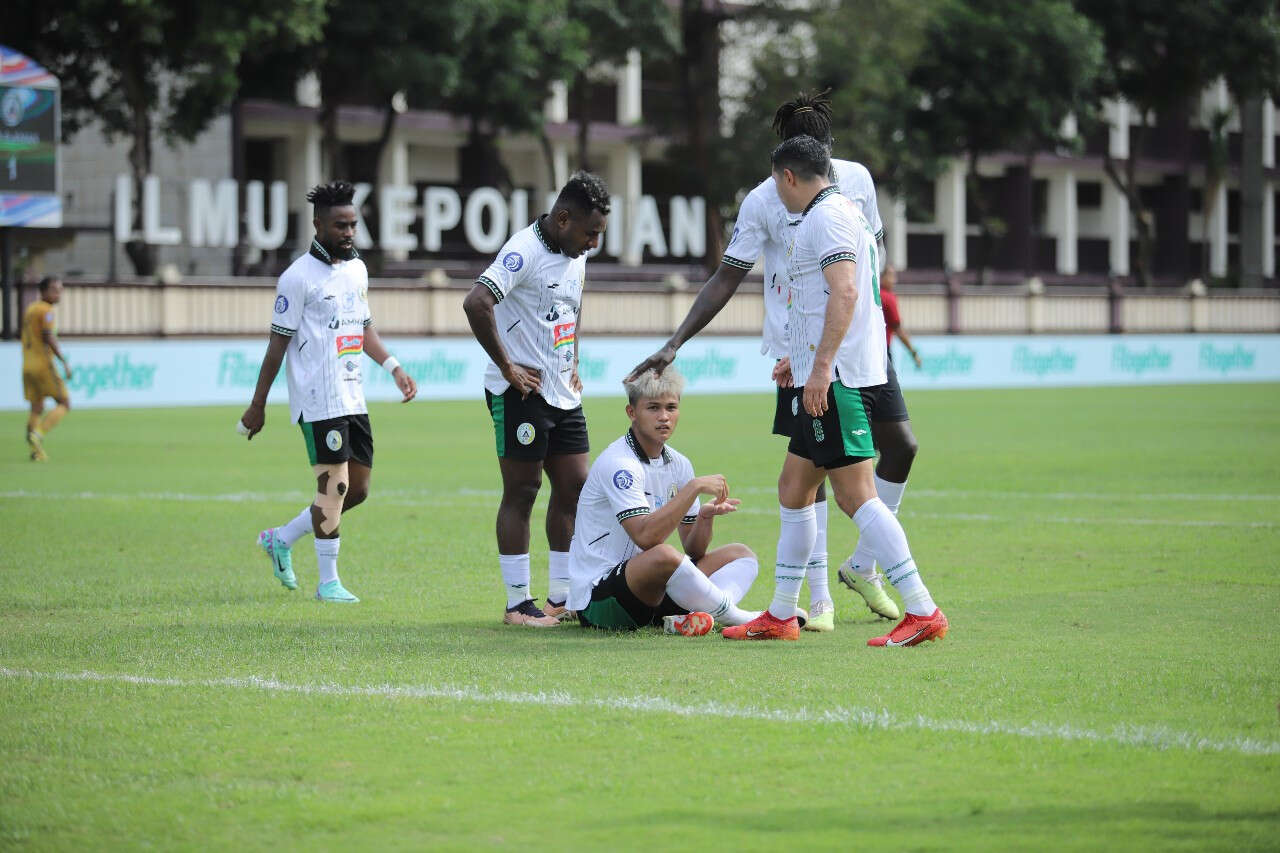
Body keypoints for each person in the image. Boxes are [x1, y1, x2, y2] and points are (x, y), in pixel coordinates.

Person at [628, 90, 913, 629]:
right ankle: (818, 598)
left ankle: (876, 579)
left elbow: (863, 274)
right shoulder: (765, 198)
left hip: (851, 348)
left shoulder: (853, 182)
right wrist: (677, 341)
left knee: (891, 452)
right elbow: (728, 276)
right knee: (812, 480)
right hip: (804, 352)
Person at [723, 136, 947, 646]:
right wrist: (798, 360)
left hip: (837, 381)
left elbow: (845, 292)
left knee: (854, 495)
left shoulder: (826, 218)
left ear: (788, 178)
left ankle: (922, 608)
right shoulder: (841, 212)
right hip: (822, 374)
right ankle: (781, 614)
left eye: (776, 186)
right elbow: (832, 299)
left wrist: (820, 367)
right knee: (794, 488)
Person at [239, 181, 418, 603]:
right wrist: (258, 404)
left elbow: (363, 327)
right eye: (341, 225)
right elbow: (277, 345)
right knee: (333, 487)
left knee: (356, 490)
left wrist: (393, 367)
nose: (349, 233)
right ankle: (328, 583)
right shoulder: (296, 278)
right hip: (317, 398)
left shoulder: (357, 270)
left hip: (353, 395)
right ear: (318, 224)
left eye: (353, 224)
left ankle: (280, 538)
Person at [463, 172, 609, 627]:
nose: (593, 243)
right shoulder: (522, 251)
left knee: (574, 488)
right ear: (563, 218)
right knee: (523, 491)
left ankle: (561, 598)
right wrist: (507, 366)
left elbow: (573, 309)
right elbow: (475, 303)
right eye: (589, 233)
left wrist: (574, 359)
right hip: (520, 392)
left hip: (563, 392)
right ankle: (516, 604)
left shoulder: (574, 254)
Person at [570, 366, 762, 634]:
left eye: (671, 407)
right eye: (653, 408)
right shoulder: (620, 465)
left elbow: (694, 550)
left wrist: (704, 518)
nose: (664, 417)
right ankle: (737, 617)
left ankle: (695, 616)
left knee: (740, 555)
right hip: (601, 599)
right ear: (631, 413)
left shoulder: (679, 464)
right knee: (663, 554)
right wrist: (693, 489)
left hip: (650, 592)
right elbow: (646, 538)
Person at [21, 276, 72, 462]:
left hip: (27, 364)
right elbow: (48, 336)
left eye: (60, 290)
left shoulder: (31, 309)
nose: (58, 294)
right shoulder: (46, 310)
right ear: (43, 291)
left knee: (36, 407)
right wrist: (63, 362)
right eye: (54, 290)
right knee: (64, 403)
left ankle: (36, 451)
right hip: (43, 365)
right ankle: (39, 433)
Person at [880, 265, 921, 369]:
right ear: (881, 276)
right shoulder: (888, 298)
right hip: (882, 351)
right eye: (891, 276)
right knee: (890, 385)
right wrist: (913, 353)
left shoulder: (870, 293)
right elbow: (898, 329)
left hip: (865, 348)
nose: (894, 280)